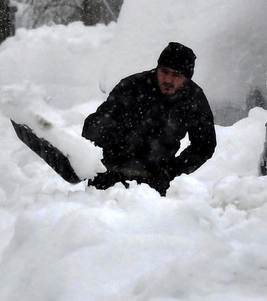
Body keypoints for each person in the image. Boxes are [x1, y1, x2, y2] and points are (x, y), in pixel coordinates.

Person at [81, 41, 216, 195]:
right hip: (109, 176)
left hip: (152, 185)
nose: (168, 80)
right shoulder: (132, 87)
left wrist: (171, 171)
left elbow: (204, 146)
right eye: (164, 71)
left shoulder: (193, 100)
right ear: (157, 68)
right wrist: (96, 155)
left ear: (186, 78)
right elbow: (94, 127)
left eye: (176, 75)